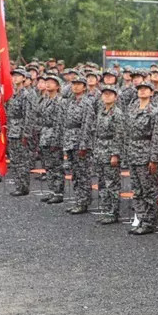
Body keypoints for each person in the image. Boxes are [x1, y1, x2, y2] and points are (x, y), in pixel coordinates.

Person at [124, 80, 158, 235]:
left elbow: (156, 137)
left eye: (146, 89)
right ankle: (141, 218)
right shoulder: (131, 108)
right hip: (132, 152)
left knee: (148, 190)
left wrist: (153, 158)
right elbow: (127, 133)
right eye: (140, 89)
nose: (142, 91)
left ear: (152, 92)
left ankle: (150, 221)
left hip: (145, 153)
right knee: (137, 190)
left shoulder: (154, 111)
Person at [61, 75, 96, 214]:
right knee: (75, 172)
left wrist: (84, 145)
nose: (75, 86)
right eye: (73, 84)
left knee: (83, 173)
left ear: (84, 87)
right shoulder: (70, 102)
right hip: (70, 140)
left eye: (78, 84)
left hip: (80, 141)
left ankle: (84, 201)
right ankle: (78, 199)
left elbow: (87, 125)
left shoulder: (87, 103)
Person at [92, 82, 125, 224]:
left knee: (112, 184)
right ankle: (106, 210)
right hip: (100, 149)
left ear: (116, 97)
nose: (106, 96)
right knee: (102, 183)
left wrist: (115, 154)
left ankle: (113, 212)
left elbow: (119, 135)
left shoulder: (117, 113)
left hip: (110, 150)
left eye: (110, 94)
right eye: (104, 94)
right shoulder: (101, 111)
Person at [38, 75, 66, 204]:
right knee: (48, 165)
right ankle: (52, 190)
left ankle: (58, 192)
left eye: (51, 83)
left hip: (54, 136)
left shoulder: (60, 101)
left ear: (58, 86)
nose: (48, 84)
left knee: (57, 166)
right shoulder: (44, 99)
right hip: (45, 134)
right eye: (46, 82)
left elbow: (60, 123)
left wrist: (57, 140)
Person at [7, 69, 33, 196]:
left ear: (24, 78)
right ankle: (18, 185)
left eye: (18, 76)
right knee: (14, 160)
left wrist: (26, 134)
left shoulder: (26, 95)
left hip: (20, 131)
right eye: (13, 76)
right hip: (13, 130)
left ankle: (23, 186)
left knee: (22, 161)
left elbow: (28, 116)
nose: (15, 78)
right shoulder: (14, 94)